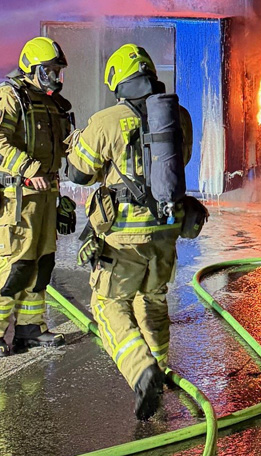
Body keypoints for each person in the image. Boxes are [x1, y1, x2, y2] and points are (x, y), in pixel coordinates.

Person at [66, 44, 207, 420]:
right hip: (166, 229)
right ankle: (159, 368)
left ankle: (142, 370)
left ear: (116, 79)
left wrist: (79, 141)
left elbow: (79, 173)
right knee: (153, 299)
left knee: (108, 305)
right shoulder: (178, 115)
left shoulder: (107, 120)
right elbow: (182, 161)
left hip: (123, 237)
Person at [0, 37, 76, 358]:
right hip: (15, 195)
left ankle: (31, 328)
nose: (55, 78)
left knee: (42, 263)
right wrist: (28, 168)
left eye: (57, 71)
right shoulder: (8, 95)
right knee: (16, 263)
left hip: (44, 194)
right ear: (32, 68)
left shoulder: (48, 102)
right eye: (49, 71)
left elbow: (65, 146)